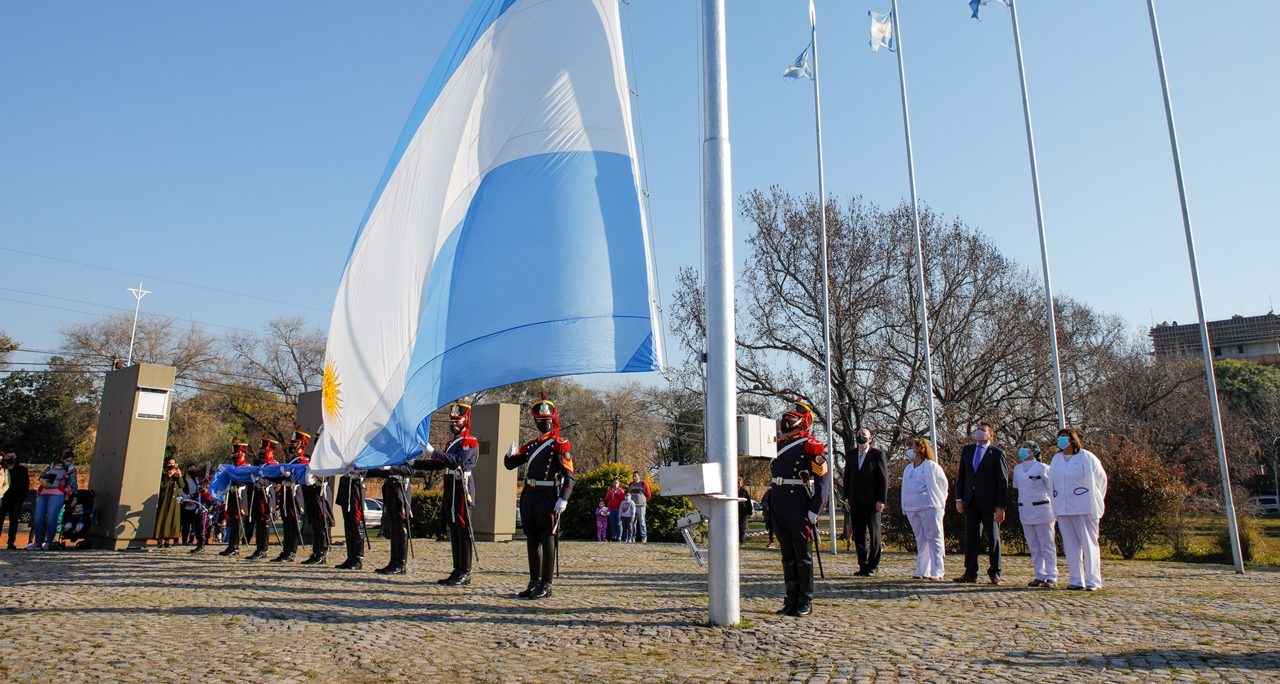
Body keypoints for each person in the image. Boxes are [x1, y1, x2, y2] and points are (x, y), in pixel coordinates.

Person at [504, 395, 575, 600]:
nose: (543, 423)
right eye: (540, 420)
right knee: (532, 540)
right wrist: (509, 456)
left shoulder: (560, 444)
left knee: (547, 539)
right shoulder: (532, 445)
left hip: (547, 496)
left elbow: (570, 475)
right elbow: (510, 465)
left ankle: (546, 583)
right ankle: (534, 581)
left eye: (547, 420)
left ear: (553, 420)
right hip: (529, 495)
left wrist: (564, 498)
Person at [769, 397, 829, 617]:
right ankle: (790, 598)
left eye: (793, 417)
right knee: (787, 554)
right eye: (787, 416)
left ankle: (805, 600)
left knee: (802, 555)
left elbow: (822, 480)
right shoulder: (778, 445)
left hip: (798, 502)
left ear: (803, 421)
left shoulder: (810, 446)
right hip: (779, 501)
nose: (787, 419)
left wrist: (815, 509)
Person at [414, 401, 480, 585]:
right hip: (451, 486)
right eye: (453, 420)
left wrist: (434, 452)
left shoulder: (469, 442)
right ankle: (457, 568)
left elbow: (457, 461)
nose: (454, 424)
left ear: (466, 420)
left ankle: (465, 571)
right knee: (454, 528)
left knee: (463, 529)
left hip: (462, 487)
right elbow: (440, 463)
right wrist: (414, 463)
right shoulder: (451, 443)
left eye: (458, 421)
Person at [1049, 428, 1107, 591]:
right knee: (1070, 545)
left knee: (1089, 544)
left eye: (1064, 437)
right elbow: (1052, 483)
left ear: (1072, 439)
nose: (1061, 440)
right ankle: (1076, 579)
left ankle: (1093, 580)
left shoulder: (1086, 457)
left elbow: (1101, 479)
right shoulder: (1056, 459)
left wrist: (1095, 500)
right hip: (1063, 508)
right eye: (1059, 437)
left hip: (1084, 507)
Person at [953, 422, 1009, 585]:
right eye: (977, 430)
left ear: (990, 435)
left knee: (993, 538)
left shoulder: (997, 453)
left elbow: (1002, 481)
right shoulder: (968, 450)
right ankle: (970, 572)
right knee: (971, 538)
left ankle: (995, 572)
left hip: (989, 504)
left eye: (983, 431)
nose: (979, 433)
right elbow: (962, 476)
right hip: (971, 501)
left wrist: (1001, 506)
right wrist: (959, 499)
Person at [900, 437, 948, 580]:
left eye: (911, 447)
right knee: (921, 539)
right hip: (912, 508)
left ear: (920, 449)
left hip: (929, 507)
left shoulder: (931, 467)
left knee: (934, 538)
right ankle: (922, 570)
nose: (909, 450)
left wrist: (939, 502)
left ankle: (937, 571)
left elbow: (943, 484)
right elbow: (905, 488)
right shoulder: (908, 468)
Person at [843, 426, 887, 577]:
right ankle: (863, 565)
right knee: (859, 536)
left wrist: (881, 499)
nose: (861, 436)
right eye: (859, 434)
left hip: (872, 502)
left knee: (874, 535)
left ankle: (873, 565)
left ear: (870, 438)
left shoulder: (877, 455)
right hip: (855, 501)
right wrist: (847, 498)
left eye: (864, 434)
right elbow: (847, 478)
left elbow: (883, 479)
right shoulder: (851, 454)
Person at [1013, 441, 1058, 588]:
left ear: (1034, 452)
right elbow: (1017, 486)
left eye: (1027, 448)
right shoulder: (1018, 469)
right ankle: (1039, 574)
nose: (1023, 451)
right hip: (1025, 509)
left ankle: (1051, 576)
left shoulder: (1042, 468)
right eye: (1022, 447)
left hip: (1043, 509)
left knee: (1046, 544)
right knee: (1033, 545)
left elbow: (1051, 488)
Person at [293, 428, 332, 566]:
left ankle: (322, 552)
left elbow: (326, 472)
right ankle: (316, 551)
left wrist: (315, 474)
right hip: (312, 491)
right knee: (315, 522)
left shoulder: (328, 454)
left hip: (320, 490)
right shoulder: (317, 455)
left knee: (322, 522)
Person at [370, 461, 415, 575]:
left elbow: (411, 470)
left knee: (400, 524)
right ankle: (394, 561)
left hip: (401, 487)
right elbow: (384, 471)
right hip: (391, 485)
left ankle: (401, 562)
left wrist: (391, 467)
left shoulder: (408, 449)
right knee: (394, 525)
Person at [30, 451, 77, 550]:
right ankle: (37, 542)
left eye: (70, 461)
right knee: (38, 518)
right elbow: (42, 476)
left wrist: (75, 496)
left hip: (57, 495)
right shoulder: (52, 466)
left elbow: (73, 483)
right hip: (43, 493)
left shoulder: (70, 469)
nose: (68, 462)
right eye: (66, 460)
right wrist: (42, 480)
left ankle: (48, 542)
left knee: (52, 518)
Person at [245, 436, 279, 562]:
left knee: (264, 522)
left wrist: (262, 480)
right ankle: (259, 548)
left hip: (267, 495)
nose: (261, 452)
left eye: (264, 450)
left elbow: (275, 480)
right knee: (258, 522)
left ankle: (263, 549)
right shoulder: (258, 464)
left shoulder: (274, 464)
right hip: (257, 495)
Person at [219, 442, 249, 557]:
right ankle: (231, 545)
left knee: (237, 521)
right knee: (232, 521)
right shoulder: (233, 466)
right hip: (231, 496)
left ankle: (235, 546)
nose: (234, 455)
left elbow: (246, 481)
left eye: (236, 452)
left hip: (240, 496)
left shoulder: (246, 466)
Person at [335, 470, 367, 570]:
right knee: (348, 525)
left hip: (355, 485)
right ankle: (351, 557)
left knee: (356, 523)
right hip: (346, 484)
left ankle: (358, 559)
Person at [1, 453, 29, 549]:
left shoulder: (22, 470)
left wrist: (21, 499)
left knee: (14, 522)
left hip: (16, 500)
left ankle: (10, 542)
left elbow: (25, 486)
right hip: (3, 498)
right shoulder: (2, 470)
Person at [153, 456, 183, 548]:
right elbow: (162, 485)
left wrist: (179, 476)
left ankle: (168, 539)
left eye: (173, 463)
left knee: (172, 519)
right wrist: (168, 475)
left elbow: (182, 485)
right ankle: (160, 538)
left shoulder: (176, 474)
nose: (172, 465)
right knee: (163, 517)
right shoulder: (164, 473)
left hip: (174, 501)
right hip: (165, 499)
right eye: (170, 463)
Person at [627, 471, 651, 543]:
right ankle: (633, 537)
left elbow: (649, 494)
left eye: (635, 476)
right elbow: (628, 494)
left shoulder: (643, 483)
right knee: (632, 522)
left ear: (639, 476)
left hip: (641, 506)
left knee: (642, 521)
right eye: (633, 476)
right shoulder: (631, 484)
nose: (634, 477)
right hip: (632, 506)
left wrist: (644, 502)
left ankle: (644, 537)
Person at [180, 464, 202, 545]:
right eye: (191, 468)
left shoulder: (195, 479)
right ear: (186, 469)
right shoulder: (182, 479)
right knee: (185, 524)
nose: (193, 470)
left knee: (194, 524)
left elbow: (198, 490)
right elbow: (180, 490)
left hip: (195, 504)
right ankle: (184, 540)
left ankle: (191, 539)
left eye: (194, 469)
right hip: (185, 505)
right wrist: (186, 498)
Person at [737, 476, 752, 545]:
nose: (738, 484)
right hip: (735, 512)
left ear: (742, 483)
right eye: (737, 483)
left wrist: (749, 512)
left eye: (739, 483)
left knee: (742, 527)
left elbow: (748, 502)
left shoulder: (744, 491)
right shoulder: (732, 491)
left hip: (743, 512)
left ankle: (741, 541)